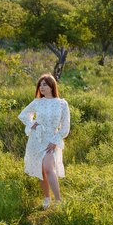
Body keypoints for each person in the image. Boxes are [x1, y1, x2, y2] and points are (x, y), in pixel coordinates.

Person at [18, 73, 70, 209]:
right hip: (37, 139)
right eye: (40, 85)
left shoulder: (62, 104)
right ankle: (47, 198)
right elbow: (23, 115)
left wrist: (55, 140)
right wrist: (32, 124)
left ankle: (58, 201)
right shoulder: (37, 102)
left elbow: (65, 127)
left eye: (45, 84)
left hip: (52, 140)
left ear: (52, 86)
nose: (42, 87)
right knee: (41, 170)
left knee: (48, 167)